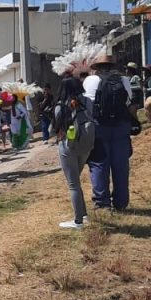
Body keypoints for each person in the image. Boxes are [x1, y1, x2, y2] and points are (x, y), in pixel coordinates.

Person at [83, 54, 133, 211]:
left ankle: (102, 202)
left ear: (96, 68)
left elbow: (87, 103)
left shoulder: (90, 81)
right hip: (121, 126)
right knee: (121, 165)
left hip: (99, 126)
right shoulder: (124, 80)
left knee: (99, 164)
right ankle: (121, 202)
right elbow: (128, 100)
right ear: (114, 67)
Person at [55, 75, 96, 229]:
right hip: (86, 145)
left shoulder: (61, 105)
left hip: (68, 146)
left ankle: (78, 221)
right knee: (76, 182)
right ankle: (84, 215)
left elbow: (56, 128)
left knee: (73, 184)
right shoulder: (87, 102)